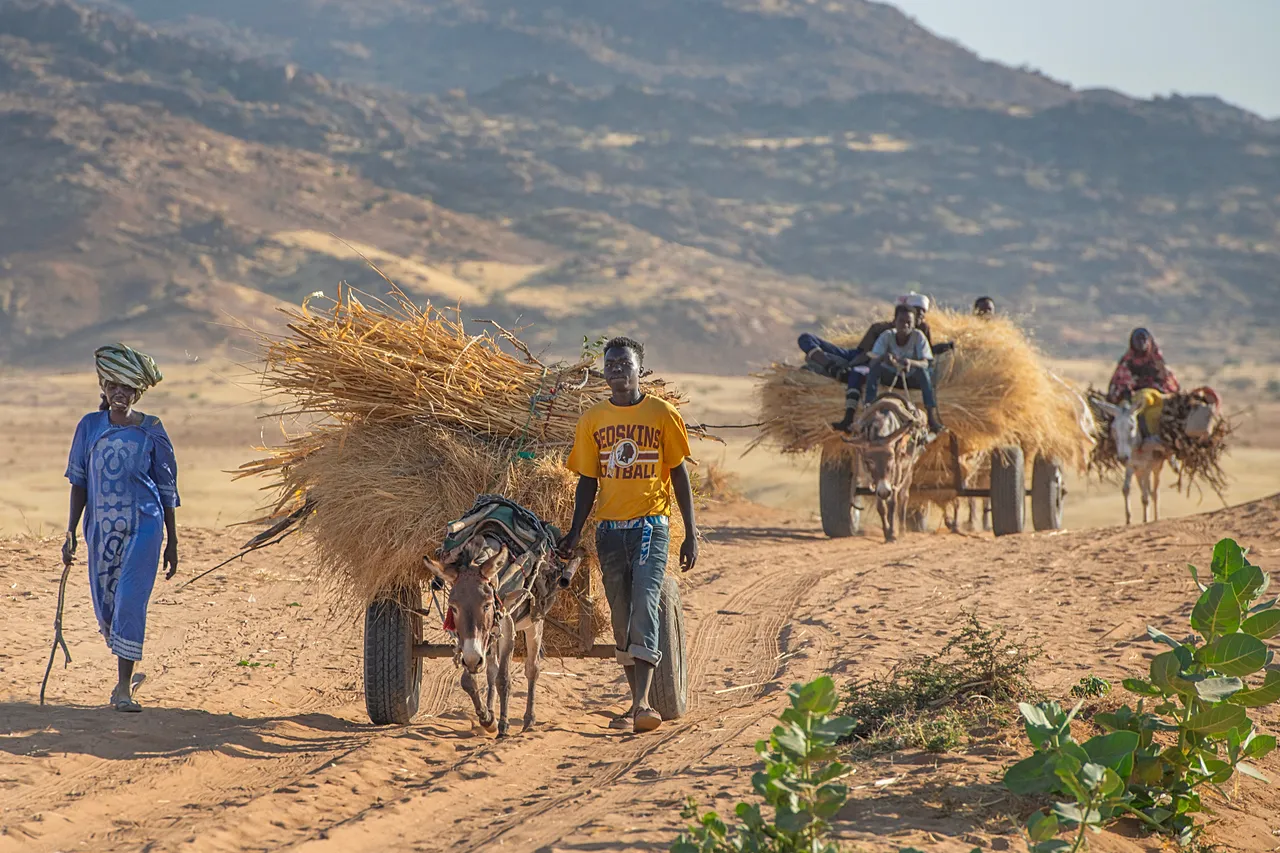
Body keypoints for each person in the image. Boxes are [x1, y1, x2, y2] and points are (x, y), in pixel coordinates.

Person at [559, 336, 698, 734]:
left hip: (651, 526)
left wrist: (692, 532)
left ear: (640, 370)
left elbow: (678, 472)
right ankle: (637, 702)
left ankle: (641, 703)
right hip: (609, 531)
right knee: (621, 615)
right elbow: (588, 481)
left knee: (644, 605)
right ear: (604, 371)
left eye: (624, 363)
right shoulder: (592, 420)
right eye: (610, 364)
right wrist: (572, 532)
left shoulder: (662, 413)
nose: (617, 369)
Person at [61, 344, 180, 712]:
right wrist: (70, 531)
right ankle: (127, 677)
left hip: (145, 526)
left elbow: (167, 488)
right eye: (113, 386)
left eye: (127, 388)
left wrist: (172, 541)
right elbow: (79, 482)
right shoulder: (89, 427)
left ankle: (123, 687)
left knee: (129, 601)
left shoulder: (152, 430)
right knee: (108, 608)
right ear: (104, 387)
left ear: (138, 392)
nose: (119, 394)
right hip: (101, 532)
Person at [863, 305, 946, 434]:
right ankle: (868, 409)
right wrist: (884, 358)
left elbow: (926, 362)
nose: (905, 325)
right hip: (892, 376)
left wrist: (910, 362)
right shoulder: (887, 336)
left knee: (924, 372)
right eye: (901, 321)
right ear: (895, 321)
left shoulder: (918, 336)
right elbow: (873, 359)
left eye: (909, 323)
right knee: (874, 369)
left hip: (911, 376)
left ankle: (931, 416)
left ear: (913, 325)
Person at [1107, 328, 1180, 406]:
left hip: (1157, 398)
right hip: (1132, 399)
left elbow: (1169, 384)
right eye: (1138, 340)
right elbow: (1118, 385)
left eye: (1143, 339)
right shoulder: (1127, 362)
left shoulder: (1157, 361)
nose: (1141, 342)